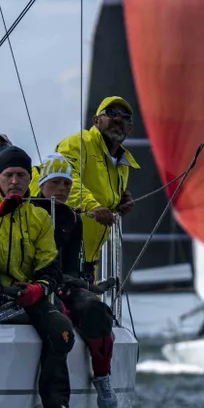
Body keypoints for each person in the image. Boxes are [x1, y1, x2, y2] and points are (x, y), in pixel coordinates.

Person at [0, 145, 85, 408]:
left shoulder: (40, 217)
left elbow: (50, 265)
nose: (15, 181)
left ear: (30, 178)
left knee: (62, 330)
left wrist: (40, 288)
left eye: (21, 175)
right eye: (8, 174)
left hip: (23, 293)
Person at [34, 154, 118, 408]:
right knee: (59, 318)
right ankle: (58, 405)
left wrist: (87, 287)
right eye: (56, 182)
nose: (62, 189)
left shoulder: (73, 218)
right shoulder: (29, 211)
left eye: (67, 184)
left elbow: (70, 265)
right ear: (41, 184)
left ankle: (102, 375)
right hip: (35, 283)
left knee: (96, 309)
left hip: (64, 282)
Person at [56, 96, 139, 279]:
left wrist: (118, 203)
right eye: (110, 113)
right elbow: (65, 181)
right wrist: (92, 205)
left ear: (130, 128)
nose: (118, 119)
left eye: (124, 116)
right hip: (59, 255)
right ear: (96, 121)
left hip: (88, 260)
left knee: (93, 305)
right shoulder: (78, 143)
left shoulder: (123, 162)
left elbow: (103, 197)